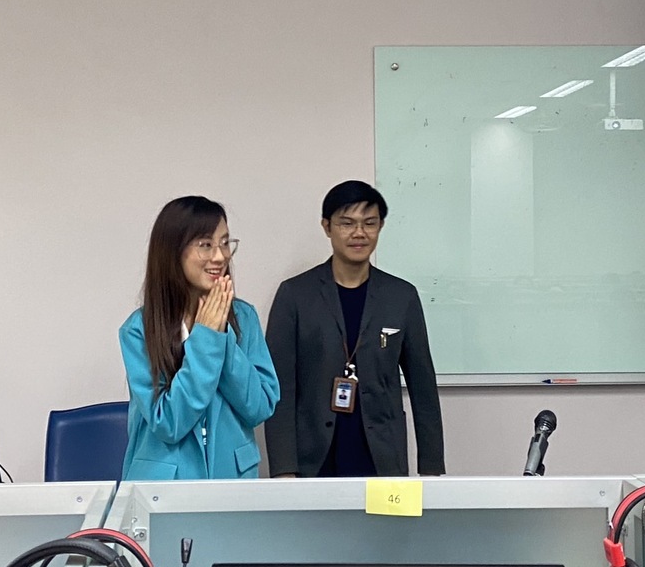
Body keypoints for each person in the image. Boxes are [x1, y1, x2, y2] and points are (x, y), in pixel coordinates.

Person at [264, 180, 445, 478]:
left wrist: (431, 468)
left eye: (369, 223)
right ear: (327, 227)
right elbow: (279, 387)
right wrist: (284, 469)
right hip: (313, 459)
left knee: (384, 515)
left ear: (380, 226)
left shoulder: (401, 296)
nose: (359, 233)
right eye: (347, 223)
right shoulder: (294, 295)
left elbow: (423, 388)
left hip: (382, 457)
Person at [120, 196, 280, 480]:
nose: (220, 257)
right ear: (173, 251)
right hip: (165, 483)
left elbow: (259, 406)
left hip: (232, 478)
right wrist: (205, 340)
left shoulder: (244, 317)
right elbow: (168, 422)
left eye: (225, 243)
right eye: (205, 244)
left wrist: (220, 336)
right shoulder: (139, 329)